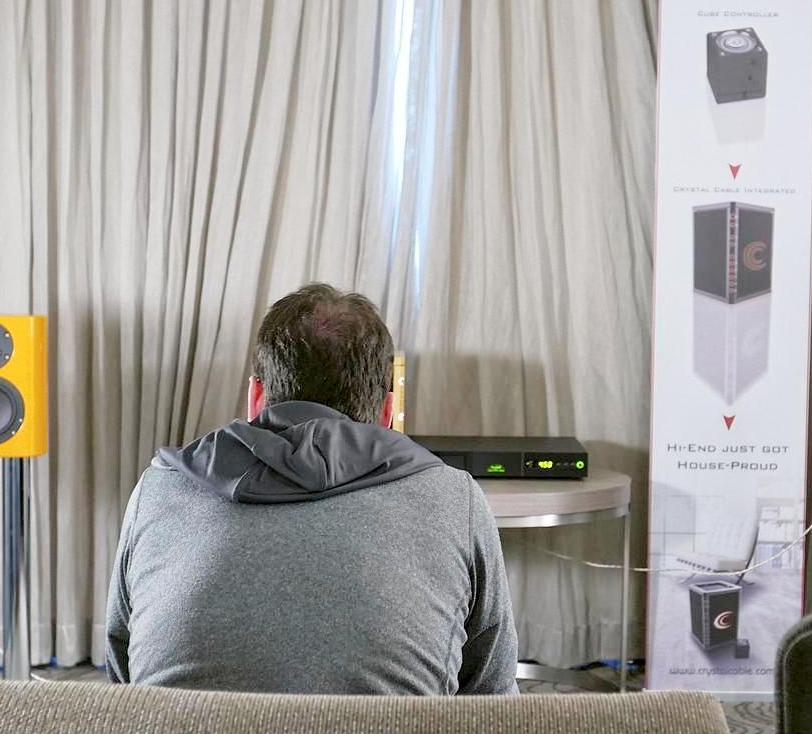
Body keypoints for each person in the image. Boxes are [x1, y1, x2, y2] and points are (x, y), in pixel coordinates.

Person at [105, 283, 518, 695]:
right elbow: (493, 702)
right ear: (387, 413)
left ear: (255, 397)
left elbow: (122, 673)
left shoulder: (160, 487)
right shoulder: (454, 498)